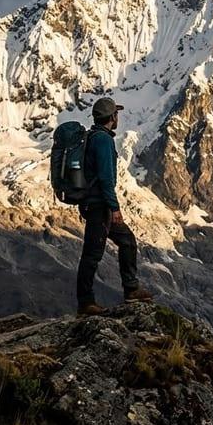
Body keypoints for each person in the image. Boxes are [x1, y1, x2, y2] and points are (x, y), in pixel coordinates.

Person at [76, 97, 153, 315]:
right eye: (116, 114)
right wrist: (114, 207)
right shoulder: (103, 140)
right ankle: (86, 302)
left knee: (126, 240)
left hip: (93, 204)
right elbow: (106, 178)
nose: (118, 117)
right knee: (92, 254)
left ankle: (131, 289)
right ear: (112, 117)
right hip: (99, 206)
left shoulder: (92, 137)